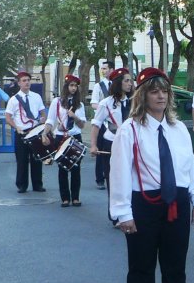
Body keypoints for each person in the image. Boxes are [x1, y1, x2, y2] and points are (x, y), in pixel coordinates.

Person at [110, 68, 194, 283]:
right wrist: (123, 213)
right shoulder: (130, 130)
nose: (161, 96)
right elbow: (119, 173)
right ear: (142, 95)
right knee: (141, 269)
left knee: (176, 267)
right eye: (154, 91)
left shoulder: (178, 130)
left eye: (165, 91)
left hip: (177, 202)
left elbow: (190, 169)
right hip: (144, 205)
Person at [91, 69, 133, 219]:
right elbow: (96, 125)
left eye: (130, 80)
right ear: (118, 83)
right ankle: (115, 215)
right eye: (126, 81)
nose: (130, 84)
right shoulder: (106, 103)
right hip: (112, 143)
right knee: (114, 180)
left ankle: (130, 211)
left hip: (131, 144)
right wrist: (94, 145)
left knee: (132, 178)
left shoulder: (134, 101)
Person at [45, 74, 87, 207]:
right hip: (61, 136)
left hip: (75, 136)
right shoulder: (57, 102)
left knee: (76, 168)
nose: (73, 88)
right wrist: (45, 133)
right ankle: (65, 197)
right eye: (71, 85)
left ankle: (75, 197)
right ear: (66, 86)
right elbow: (50, 120)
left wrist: (75, 117)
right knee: (62, 168)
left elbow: (82, 125)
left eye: (75, 86)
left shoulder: (79, 105)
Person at [5, 71, 47, 194]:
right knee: (22, 160)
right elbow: (8, 117)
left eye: (28, 80)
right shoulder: (13, 100)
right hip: (21, 132)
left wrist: (42, 120)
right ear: (19, 83)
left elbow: (43, 112)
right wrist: (16, 127)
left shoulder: (36, 97)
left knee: (37, 159)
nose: (27, 82)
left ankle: (37, 184)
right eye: (24, 80)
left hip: (35, 131)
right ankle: (22, 185)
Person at [91, 61, 115, 188]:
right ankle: (99, 178)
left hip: (114, 123)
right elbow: (94, 103)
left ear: (112, 69)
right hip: (102, 122)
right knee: (100, 150)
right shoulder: (98, 86)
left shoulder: (117, 84)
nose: (103, 71)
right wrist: (104, 108)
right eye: (102, 69)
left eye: (105, 68)